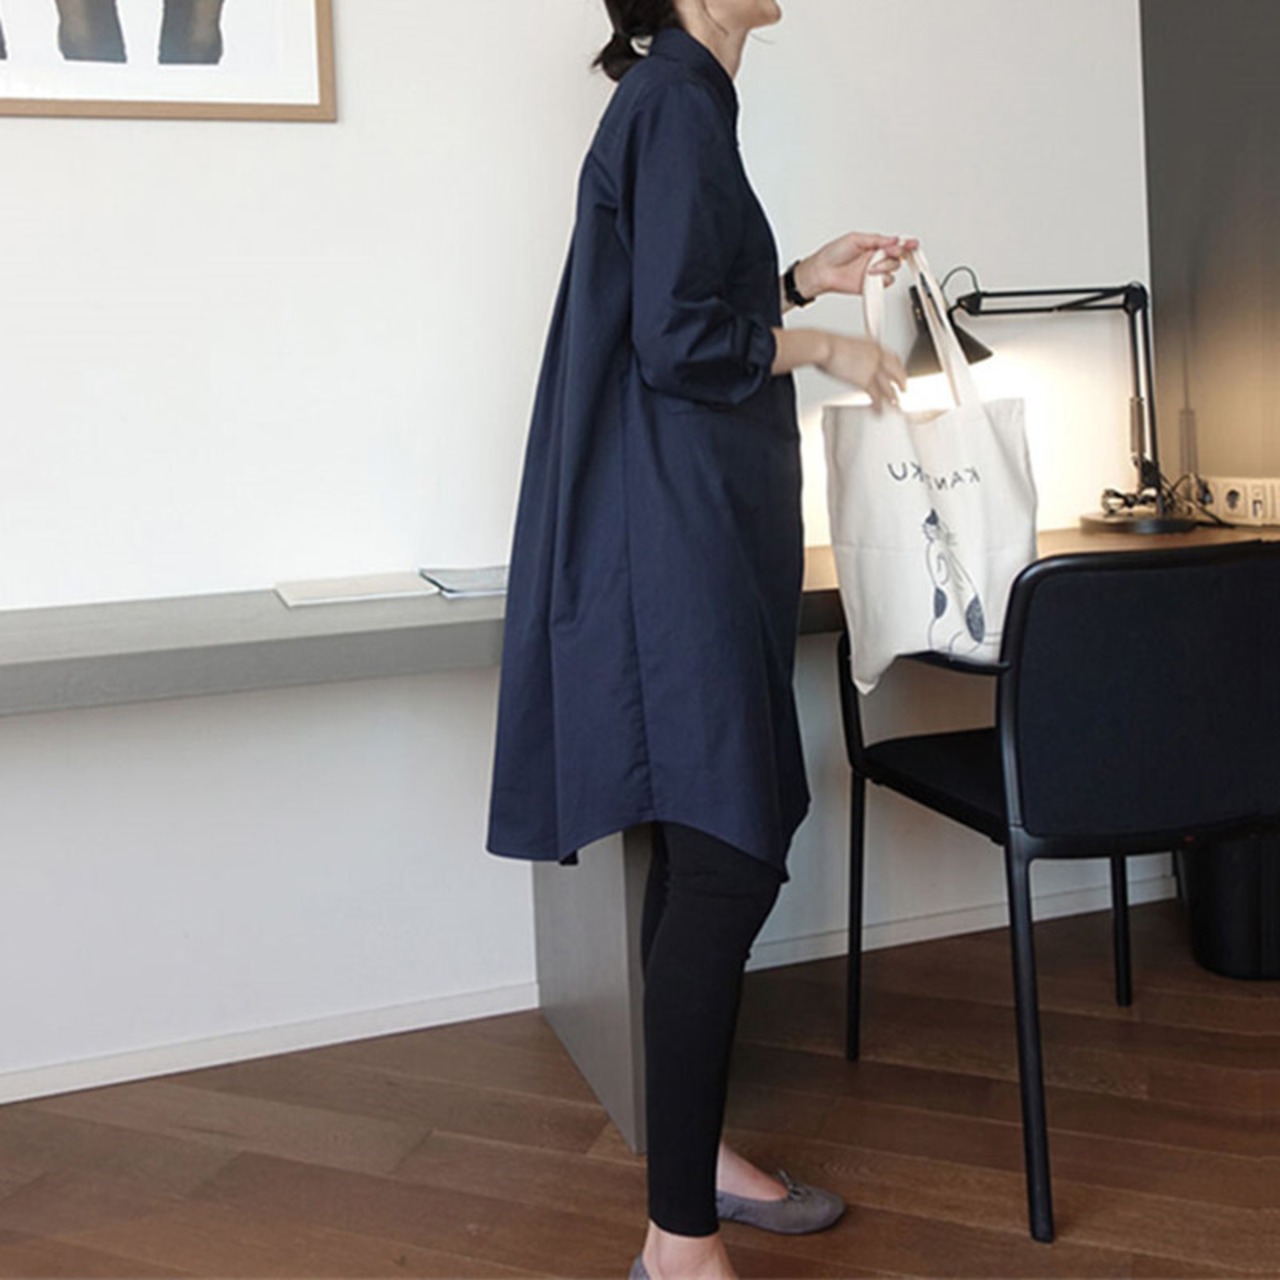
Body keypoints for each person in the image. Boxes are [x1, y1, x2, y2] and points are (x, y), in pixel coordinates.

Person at [488, 2, 911, 1276]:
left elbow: (671, 300)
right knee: (725, 849)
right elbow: (676, 342)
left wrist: (798, 280)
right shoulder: (671, 103)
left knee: (700, 848)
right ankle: (677, 1241)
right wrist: (823, 345)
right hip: (670, 541)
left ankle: (694, 1162)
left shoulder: (681, 104)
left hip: (688, 528)